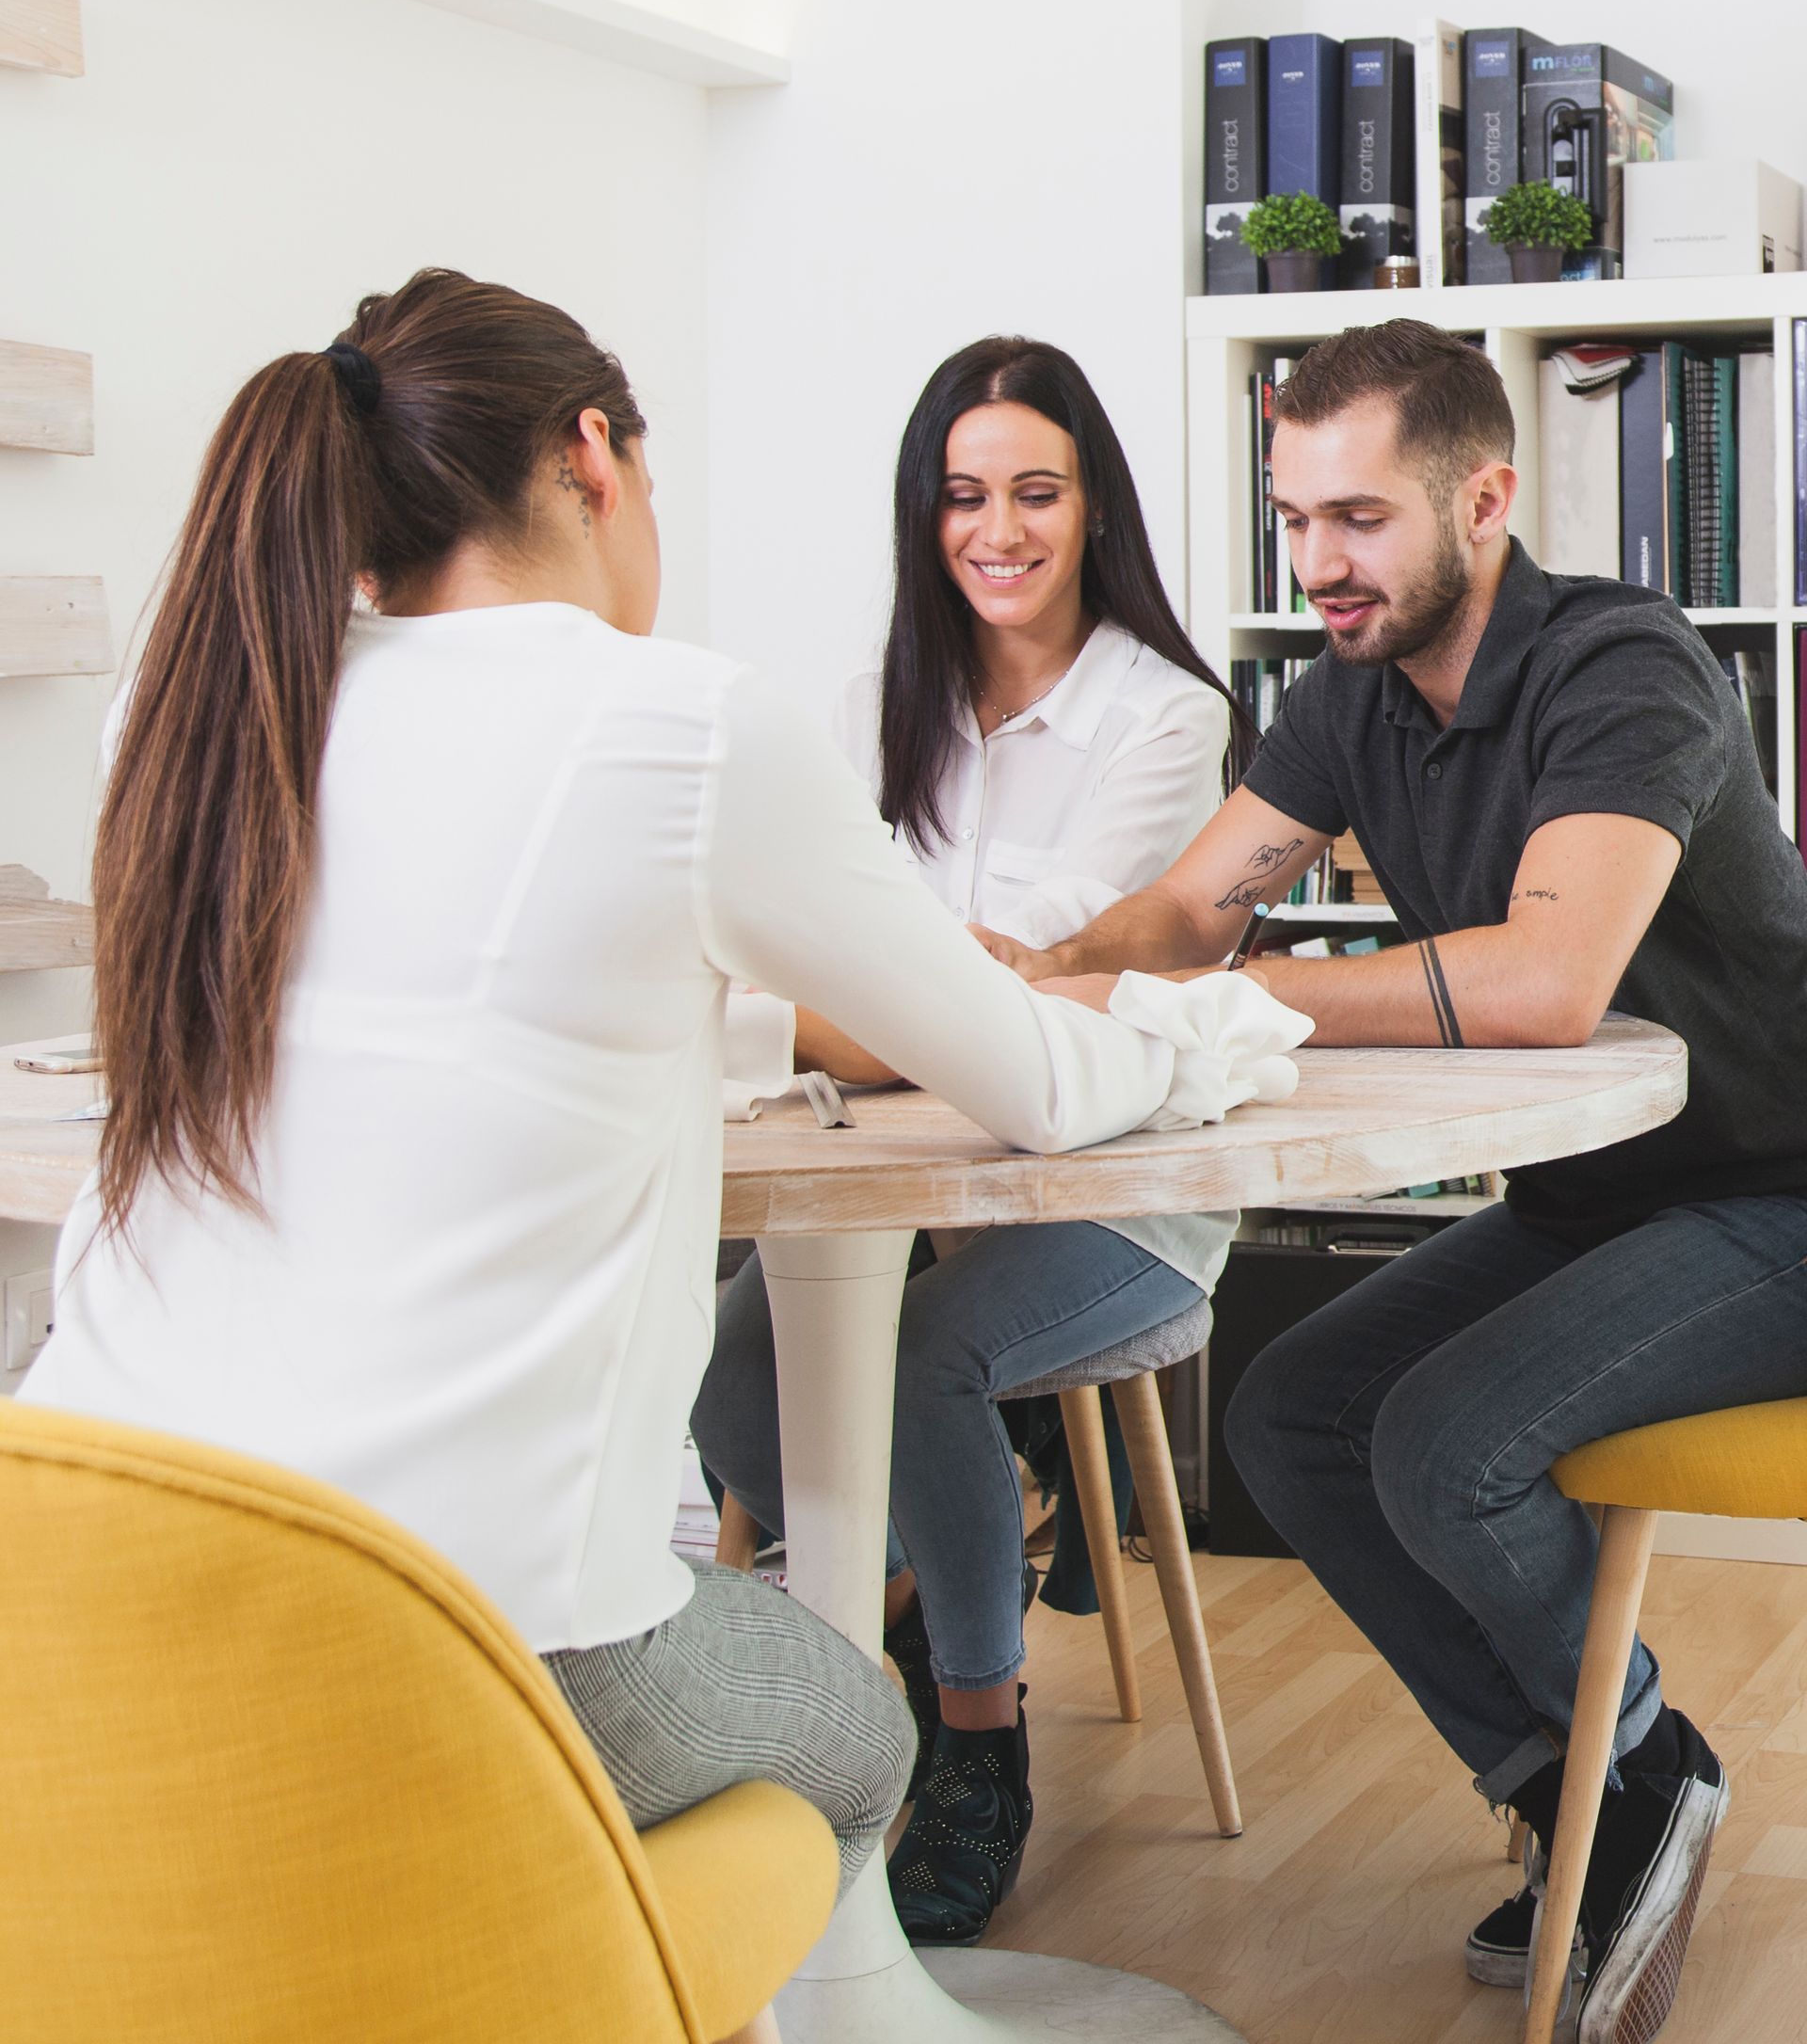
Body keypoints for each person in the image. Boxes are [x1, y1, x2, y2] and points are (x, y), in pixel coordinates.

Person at [20, 269, 1251, 1904]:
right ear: (595, 458)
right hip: (472, 1645)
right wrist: (1221, 1031)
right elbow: (1030, 1071)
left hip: (69, 1598)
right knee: (857, 1738)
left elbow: (519, 997)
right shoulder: (682, 722)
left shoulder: (189, 711)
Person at [976, 317, 1807, 2042]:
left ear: (1485, 499)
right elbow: (1187, 913)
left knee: (1447, 1442)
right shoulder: (1352, 698)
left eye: (1358, 519)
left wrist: (1207, 998)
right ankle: (1589, 1778)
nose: (1315, 563)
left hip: (1780, 1195)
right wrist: (1032, 975)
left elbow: (1538, 983)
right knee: (1292, 1417)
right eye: (1293, 519)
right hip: (1605, 1198)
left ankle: (1634, 1773)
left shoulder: (1623, 668)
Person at [694, 335, 1248, 1948]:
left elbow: (1010, 975)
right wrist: (850, 985)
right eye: (961, 495)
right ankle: (933, 1595)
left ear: (1093, 510)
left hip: (1116, 1183)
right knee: (725, 1368)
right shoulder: (890, 703)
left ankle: (979, 1744)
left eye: (1033, 492)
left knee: (921, 1364)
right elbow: (866, 969)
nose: (994, 529)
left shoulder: (1165, 720)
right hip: (911, 1169)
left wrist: (828, 985)